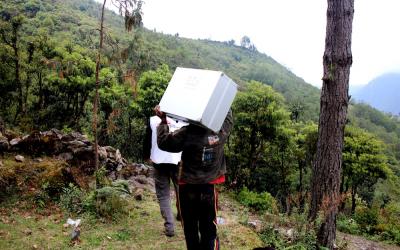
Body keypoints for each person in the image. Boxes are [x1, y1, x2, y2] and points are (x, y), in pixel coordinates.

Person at [155, 105, 233, 250]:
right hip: (208, 187)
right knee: (209, 229)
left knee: (190, 230)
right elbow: (228, 120)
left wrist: (163, 121)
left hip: (187, 188)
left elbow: (164, 143)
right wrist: (224, 101)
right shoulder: (220, 133)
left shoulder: (187, 134)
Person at [143, 115, 186, 237]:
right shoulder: (182, 120)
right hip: (177, 161)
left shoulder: (152, 120)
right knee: (181, 191)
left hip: (159, 161)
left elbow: (147, 140)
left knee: (163, 195)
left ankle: (169, 227)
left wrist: (146, 155)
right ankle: (183, 217)